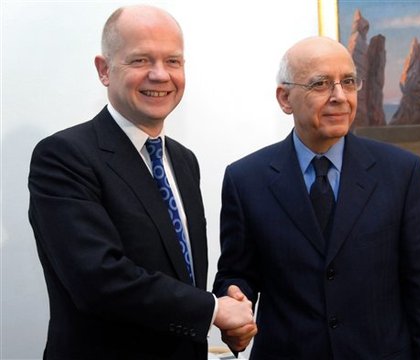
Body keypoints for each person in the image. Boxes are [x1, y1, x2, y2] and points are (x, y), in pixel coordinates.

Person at [28, 5, 255, 359]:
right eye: (140, 60)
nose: (160, 75)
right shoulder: (63, 156)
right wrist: (213, 310)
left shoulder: (183, 160)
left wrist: (230, 312)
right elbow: (99, 281)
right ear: (104, 70)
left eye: (173, 61)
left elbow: (180, 276)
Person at [213, 36, 420, 359]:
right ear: (285, 98)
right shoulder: (246, 179)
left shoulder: (401, 172)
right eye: (321, 84)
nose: (340, 96)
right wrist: (235, 299)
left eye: (349, 82)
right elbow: (236, 272)